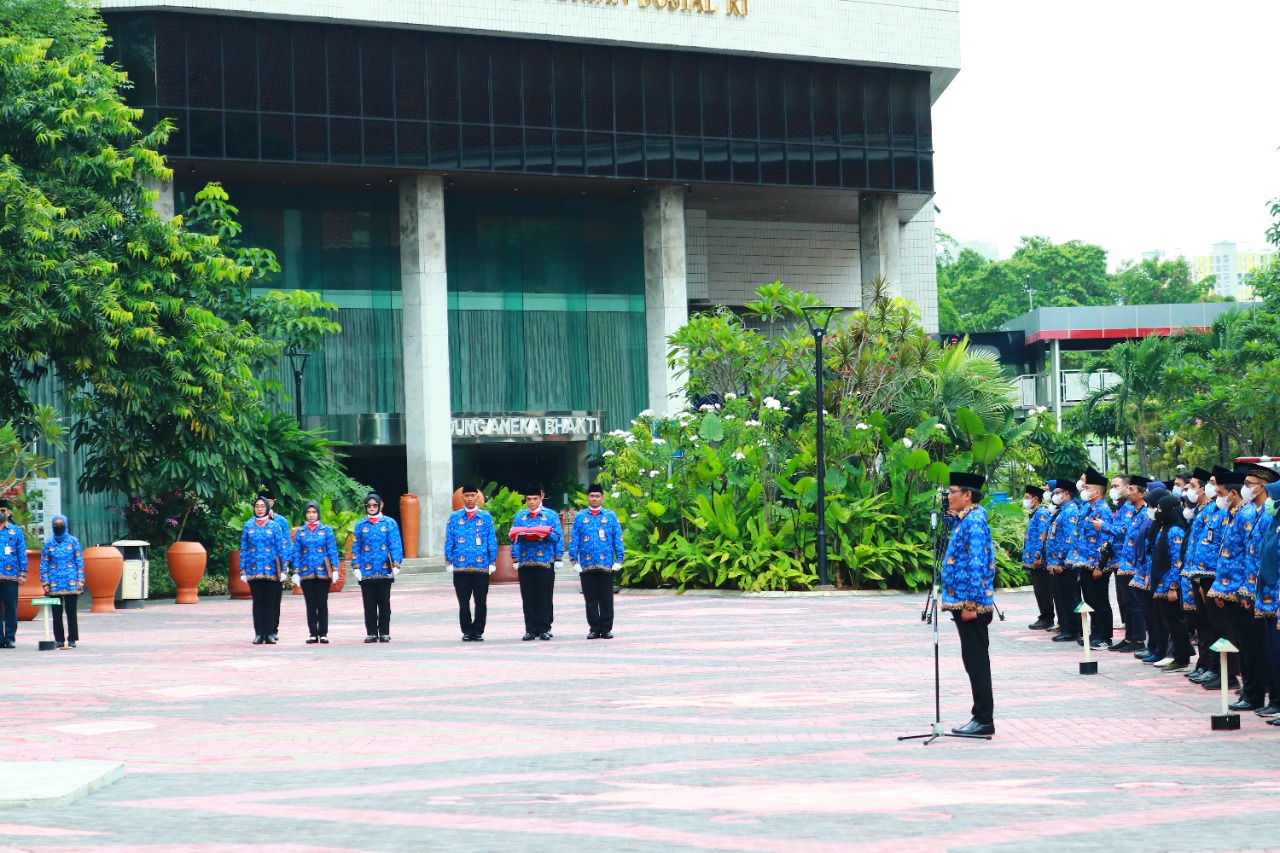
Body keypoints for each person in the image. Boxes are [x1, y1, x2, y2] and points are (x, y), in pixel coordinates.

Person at [941, 471, 997, 737]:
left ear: (967, 495)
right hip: (963, 600)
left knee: (976, 661)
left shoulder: (974, 522)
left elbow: (977, 564)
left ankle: (983, 719)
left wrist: (971, 605)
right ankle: (980, 716)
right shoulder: (966, 520)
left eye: (952, 491)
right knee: (972, 659)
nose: (948, 496)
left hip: (970, 604)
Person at [569, 484, 625, 639]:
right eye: (591, 496)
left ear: (602, 498)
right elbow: (574, 539)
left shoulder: (610, 516)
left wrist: (619, 558)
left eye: (597, 496)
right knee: (590, 598)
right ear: (588, 497)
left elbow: (617, 538)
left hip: (606, 563)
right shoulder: (580, 517)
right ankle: (594, 628)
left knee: (606, 598)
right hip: (586, 565)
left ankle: (606, 628)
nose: (594, 498)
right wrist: (574, 561)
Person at [443, 484, 498, 642]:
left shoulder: (485, 517)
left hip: (481, 566)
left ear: (477, 497)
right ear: (462, 498)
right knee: (463, 601)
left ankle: (479, 630)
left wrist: (492, 560)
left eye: (472, 495)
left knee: (481, 601)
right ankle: (467, 630)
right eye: (466, 496)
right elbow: (449, 540)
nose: (470, 499)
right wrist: (449, 561)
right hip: (461, 567)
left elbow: (491, 540)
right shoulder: (454, 517)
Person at [510, 484, 563, 641]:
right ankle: (530, 629)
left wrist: (544, 534)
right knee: (528, 597)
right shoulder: (521, 516)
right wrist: (515, 558)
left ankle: (544, 628)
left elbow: (557, 537)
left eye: (535, 499)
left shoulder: (551, 515)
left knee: (544, 596)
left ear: (541, 498)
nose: (532, 502)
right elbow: (514, 539)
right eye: (529, 499)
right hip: (526, 561)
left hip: (544, 561)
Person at [1071, 468, 1114, 649]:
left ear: (1096, 492)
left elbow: (1107, 541)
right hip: (1085, 561)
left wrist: (1100, 566)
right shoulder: (1088, 508)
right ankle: (1095, 632)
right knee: (1089, 600)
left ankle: (1104, 636)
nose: (1083, 490)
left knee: (1100, 600)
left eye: (1087, 487)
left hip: (1096, 564)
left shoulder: (1103, 510)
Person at [352, 493, 403, 643]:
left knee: (384, 603)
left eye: (375, 505)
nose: (372, 508)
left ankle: (385, 632)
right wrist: (356, 566)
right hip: (366, 571)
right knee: (369, 604)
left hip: (384, 569)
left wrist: (396, 563)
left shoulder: (389, 523)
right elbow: (356, 546)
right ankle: (371, 633)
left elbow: (395, 544)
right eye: (369, 505)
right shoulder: (361, 525)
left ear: (381, 505)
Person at [1151, 494, 1193, 672]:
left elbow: (1177, 560)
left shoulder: (1175, 530)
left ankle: (1182, 658)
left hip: (1170, 584)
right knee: (1171, 622)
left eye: (1160, 509)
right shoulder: (1164, 527)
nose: (1157, 512)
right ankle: (1177, 654)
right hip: (1162, 582)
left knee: (1176, 622)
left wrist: (1173, 587)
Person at [240, 495, 289, 645]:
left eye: (262, 506)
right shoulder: (248, 525)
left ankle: (270, 633)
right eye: (257, 506)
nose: (259, 509)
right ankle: (259, 633)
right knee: (258, 602)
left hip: (272, 570)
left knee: (270, 602)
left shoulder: (274, 526)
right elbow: (244, 548)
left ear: (267, 508)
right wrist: (243, 569)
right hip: (254, 570)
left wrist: (284, 568)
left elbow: (281, 548)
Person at [291, 501, 340, 644]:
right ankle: (313, 633)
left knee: (322, 603)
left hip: (323, 572)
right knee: (310, 603)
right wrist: (295, 571)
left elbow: (332, 550)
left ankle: (323, 633)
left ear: (318, 513)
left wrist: (335, 568)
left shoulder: (326, 530)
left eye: (314, 512)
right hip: (306, 572)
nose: (311, 515)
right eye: (308, 512)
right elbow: (296, 552)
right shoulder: (300, 532)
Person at [1252, 477, 1280, 723]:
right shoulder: (1273, 523)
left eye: (1272, 497)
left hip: (1277, 601)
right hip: (1267, 600)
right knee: (1273, 654)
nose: (1268, 501)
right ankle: (1276, 700)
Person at [1045, 475, 1083, 643]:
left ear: (1066, 494)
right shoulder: (1063, 511)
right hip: (1058, 562)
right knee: (1063, 598)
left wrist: (1059, 561)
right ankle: (1067, 627)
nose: (1054, 495)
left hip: (1066, 563)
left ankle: (1073, 629)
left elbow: (1069, 539)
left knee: (1070, 598)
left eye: (1057, 492)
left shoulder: (1071, 511)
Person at [40, 514, 83, 650]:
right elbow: (44, 563)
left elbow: (79, 561)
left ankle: (72, 639)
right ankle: (59, 639)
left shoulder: (73, 541)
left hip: (71, 582)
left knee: (71, 612)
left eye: (61, 523)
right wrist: (45, 582)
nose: (58, 526)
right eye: (56, 524)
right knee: (56, 614)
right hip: (54, 583)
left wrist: (80, 579)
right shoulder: (49, 543)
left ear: (65, 524)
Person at [1022, 483, 1054, 631]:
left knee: (1043, 590)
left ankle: (1047, 618)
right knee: (1039, 589)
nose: (1025, 500)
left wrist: (1037, 556)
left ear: (1035, 499)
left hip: (1038, 560)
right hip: (1033, 558)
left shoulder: (1041, 513)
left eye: (1027, 497)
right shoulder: (1035, 512)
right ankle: (1044, 615)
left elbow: (1043, 535)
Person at [0, 499, 28, 649]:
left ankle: (10, 638)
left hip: (10, 576)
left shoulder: (16, 531)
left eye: (3, 510)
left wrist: (23, 573)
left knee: (11, 608)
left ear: (8, 513)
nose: (0, 513)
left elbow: (21, 553)